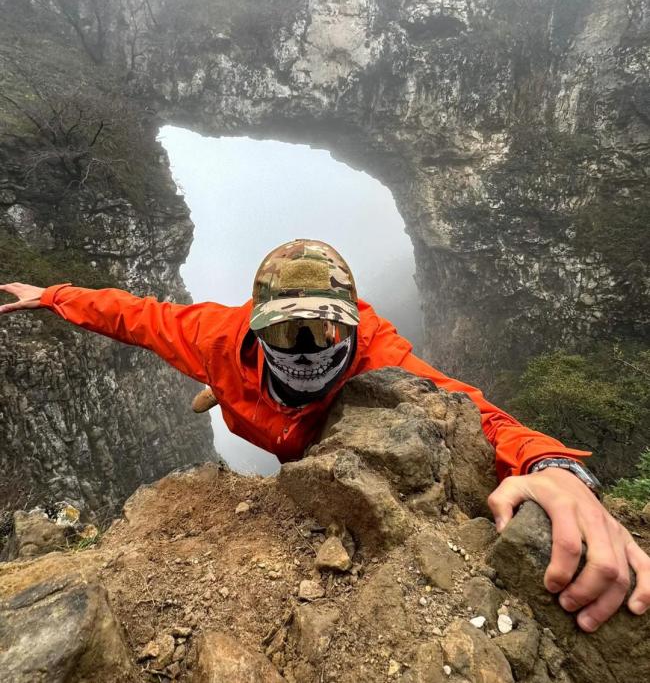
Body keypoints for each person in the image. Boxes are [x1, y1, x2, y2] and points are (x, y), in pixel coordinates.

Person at [1, 238, 648, 632]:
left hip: (316, 438)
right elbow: (134, 316)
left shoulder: (380, 358)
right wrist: (51, 295)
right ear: (257, 329)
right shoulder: (217, 334)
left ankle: (227, 393)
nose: (308, 349)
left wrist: (557, 469)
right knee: (221, 381)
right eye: (287, 333)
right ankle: (222, 390)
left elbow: (469, 410)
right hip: (246, 398)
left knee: (330, 436)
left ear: (353, 328)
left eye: (325, 331)